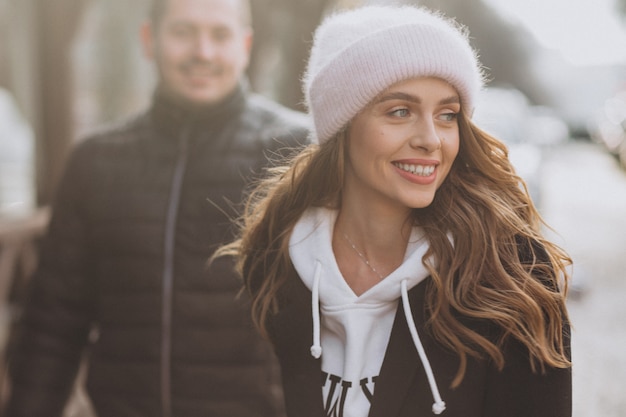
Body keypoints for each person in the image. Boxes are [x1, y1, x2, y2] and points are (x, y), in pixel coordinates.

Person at [217, 5, 572, 417]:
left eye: (447, 115)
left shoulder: (511, 278)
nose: (431, 140)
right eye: (400, 111)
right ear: (342, 125)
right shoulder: (273, 258)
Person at [3, 0, 308, 416]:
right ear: (150, 40)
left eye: (219, 35)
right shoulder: (95, 162)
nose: (202, 51)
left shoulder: (297, 154)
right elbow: (53, 324)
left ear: (245, 45)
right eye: (183, 32)